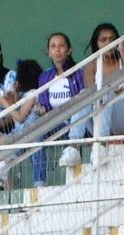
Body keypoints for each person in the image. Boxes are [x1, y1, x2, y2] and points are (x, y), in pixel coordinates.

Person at [31, 32, 87, 186]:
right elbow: (44, 104)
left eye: (62, 46)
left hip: (77, 124)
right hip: (56, 125)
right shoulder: (45, 77)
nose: (57, 50)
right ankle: (39, 182)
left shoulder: (80, 73)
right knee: (36, 130)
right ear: (48, 52)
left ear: (69, 50)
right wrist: (40, 109)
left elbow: (85, 101)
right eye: (53, 46)